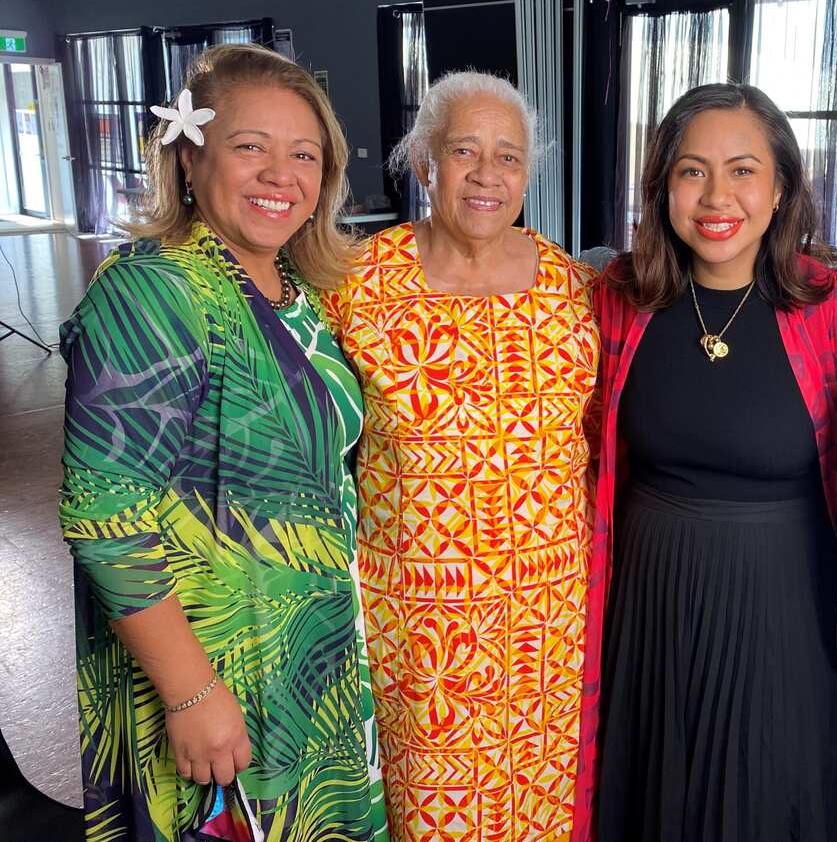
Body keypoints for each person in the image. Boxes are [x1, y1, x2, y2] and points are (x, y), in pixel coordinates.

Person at [59, 43, 387, 841]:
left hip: (305, 663)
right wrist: (191, 690)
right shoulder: (156, 288)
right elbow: (106, 517)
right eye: (251, 147)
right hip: (217, 666)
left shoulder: (297, 292)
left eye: (303, 154)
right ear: (188, 159)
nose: (281, 175)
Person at [575, 83, 837, 842]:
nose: (716, 195)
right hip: (648, 599)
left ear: (780, 190)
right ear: (664, 186)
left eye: (742, 170)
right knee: (650, 799)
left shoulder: (829, 304)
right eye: (692, 170)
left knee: (767, 797)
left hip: (783, 605)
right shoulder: (618, 297)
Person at [324, 71, 599, 842]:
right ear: (424, 164)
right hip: (422, 635)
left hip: (549, 626)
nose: (487, 174)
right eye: (463, 150)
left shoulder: (573, 289)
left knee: (545, 814)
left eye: (508, 156)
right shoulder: (355, 286)